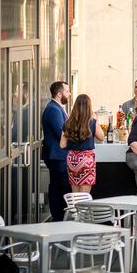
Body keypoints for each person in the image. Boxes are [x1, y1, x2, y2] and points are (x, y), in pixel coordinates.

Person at [60, 94, 103, 193]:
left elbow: (62, 145)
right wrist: (97, 121)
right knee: (84, 196)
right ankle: (82, 209)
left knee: (75, 193)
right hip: (86, 159)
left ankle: (74, 209)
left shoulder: (67, 123)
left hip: (72, 159)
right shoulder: (92, 122)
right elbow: (101, 137)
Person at [42, 81, 71, 221]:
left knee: (58, 186)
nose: (69, 94)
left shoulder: (58, 108)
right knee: (59, 187)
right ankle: (58, 218)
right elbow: (62, 133)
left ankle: (59, 217)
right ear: (59, 94)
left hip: (58, 155)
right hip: (57, 156)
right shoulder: (53, 109)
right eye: (67, 91)